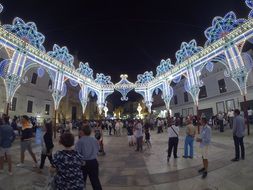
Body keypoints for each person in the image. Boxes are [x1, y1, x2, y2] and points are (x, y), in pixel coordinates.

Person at [75, 126, 102, 190]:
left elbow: (77, 153)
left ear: (82, 132)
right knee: (95, 180)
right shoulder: (94, 139)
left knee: (82, 180)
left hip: (83, 162)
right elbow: (98, 149)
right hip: (93, 161)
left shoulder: (80, 141)